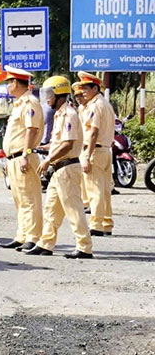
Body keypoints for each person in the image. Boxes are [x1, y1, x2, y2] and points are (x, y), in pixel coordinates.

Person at [24, 76, 93, 259]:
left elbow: (68, 144)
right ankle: (45, 244)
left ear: (59, 94)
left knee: (74, 209)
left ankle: (84, 247)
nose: (47, 99)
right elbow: (59, 142)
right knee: (51, 210)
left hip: (67, 168)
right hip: (59, 169)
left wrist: (47, 161)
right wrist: (43, 149)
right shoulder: (60, 113)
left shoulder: (69, 114)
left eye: (49, 94)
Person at [0, 66, 44, 251]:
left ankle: (33, 237)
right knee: (19, 199)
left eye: (9, 82)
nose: (8, 86)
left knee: (29, 199)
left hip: (23, 157)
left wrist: (26, 154)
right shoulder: (19, 103)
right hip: (14, 159)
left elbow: (31, 130)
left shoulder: (29, 103)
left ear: (15, 82)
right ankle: (22, 235)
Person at [77, 71, 116, 236]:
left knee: (95, 191)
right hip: (106, 150)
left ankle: (96, 225)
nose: (83, 91)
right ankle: (106, 223)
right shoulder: (105, 104)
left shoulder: (95, 105)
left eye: (86, 87)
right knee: (105, 190)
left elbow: (93, 132)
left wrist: (87, 155)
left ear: (95, 88)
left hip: (95, 149)